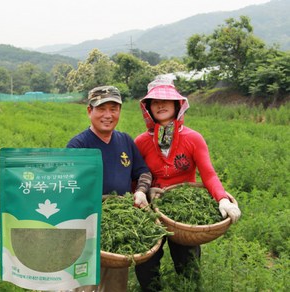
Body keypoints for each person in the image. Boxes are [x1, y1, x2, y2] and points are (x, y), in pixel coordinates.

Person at [133, 77, 241, 291]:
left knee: (188, 263)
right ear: (148, 108)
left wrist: (222, 198)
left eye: (166, 101)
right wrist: (145, 191)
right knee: (147, 266)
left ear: (177, 105)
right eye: (155, 102)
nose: (160, 105)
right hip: (150, 210)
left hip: (182, 212)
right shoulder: (141, 142)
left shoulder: (193, 139)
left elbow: (208, 174)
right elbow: (136, 177)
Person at [67, 85, 151, 292]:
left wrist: (140, 191)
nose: (108, 115)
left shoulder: (125, 141)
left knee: (115, 285)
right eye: (101, 109)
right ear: (89, 111)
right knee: (84, 285)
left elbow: (143, 172)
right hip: (87, 229)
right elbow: (70, 190)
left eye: (114, 109)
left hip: (119, 227)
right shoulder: (78, 146)